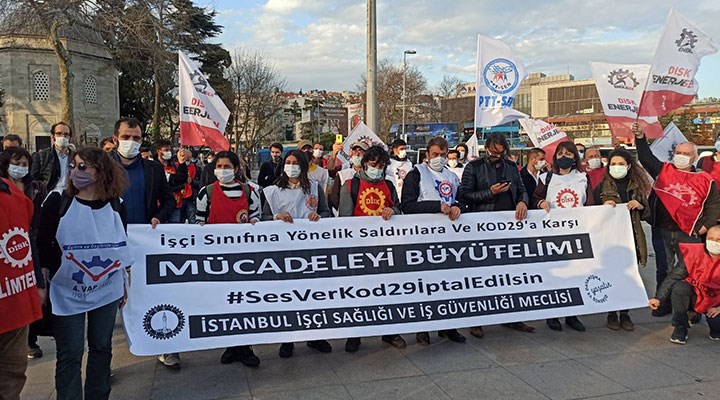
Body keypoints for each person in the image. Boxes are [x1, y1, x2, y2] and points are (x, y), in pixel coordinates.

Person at [37, 147, 131, 400]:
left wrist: (124, 281)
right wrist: (45, 279)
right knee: (70, 352)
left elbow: (120, 244)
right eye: (73, 166)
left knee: (101, 347)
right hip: (67, 291)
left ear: (100, 171)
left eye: (82, 167)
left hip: (107, 288)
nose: (75, 172)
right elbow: (43, 242)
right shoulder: (57, 201)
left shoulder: (116, 204)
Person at [634, 123, 720, 317]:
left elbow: (714, 205)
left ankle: (692, 308)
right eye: (679, 152)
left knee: (692, 271)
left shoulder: (705, 180)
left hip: (689, 232)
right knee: (664, 268)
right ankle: (662, 304)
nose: (681, 156)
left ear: (694, 157)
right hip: (662, 230)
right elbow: (646, 158)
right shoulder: (663, 170)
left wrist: (705, 227)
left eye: (686, 153)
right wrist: (640, 138)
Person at [457, 133, 534, 336]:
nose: (495, 156)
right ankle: (477, 320)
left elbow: (522, 189)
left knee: (509, 275)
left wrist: (522, 201)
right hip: (483, 227)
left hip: (509, 227)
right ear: (486, 149)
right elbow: (464, 195)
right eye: (492, 152)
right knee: (482, 276)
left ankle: (511, 317)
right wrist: (490, 192)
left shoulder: (511, 167)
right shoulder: (473, 167)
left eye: (500, 153)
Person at [261, 150, 332, 358]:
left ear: (303, 166)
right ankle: (288, 339)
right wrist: (276, 217)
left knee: (313, 294)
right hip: (283, 252)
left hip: (310, 250)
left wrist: (318, 217)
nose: (291, 166)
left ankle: (315, 336)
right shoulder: (273, 191)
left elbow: (326, 212)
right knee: (288, 295)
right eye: (288, 162)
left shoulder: (314, 188)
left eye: (295, 163)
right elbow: (264, 217)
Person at [196, 151, 262, 367]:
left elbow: (256, 217)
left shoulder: (249, 191)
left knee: (244, 302)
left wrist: (255, 224)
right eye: (219, 166)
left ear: (236, 169)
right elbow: (198, 221)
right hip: (217, 257)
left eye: (227, 167)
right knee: (224, 302)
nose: (222, 170)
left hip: (244, 258)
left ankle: (246, 347)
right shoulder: (206, 193)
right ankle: (231, 345)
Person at [338, 145, 406, 352]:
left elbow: (399, 207)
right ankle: (355, 334)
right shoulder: (350, 185)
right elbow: (345, 219)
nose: (377, 168)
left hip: (385, 248)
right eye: (373, 164)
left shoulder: (389, 185)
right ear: (365, 163)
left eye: (381, 165)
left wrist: (392, 210)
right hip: (360, 248)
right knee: (359, 292)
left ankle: (389, 331)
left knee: (387, 291)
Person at [401, 136, 467, 345]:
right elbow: (407, 205)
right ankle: (423, 329)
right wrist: (436, 206)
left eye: (442, 155)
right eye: (435, 154)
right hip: (422, 238)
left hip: (449, 239)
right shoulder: (416, 174)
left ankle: (448, 327)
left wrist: (458, 207)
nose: (439, 158)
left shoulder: (452, 176)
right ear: (427, 155)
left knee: (448, 284)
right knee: (424, 285)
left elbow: (462, 199)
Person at [534, 141, 594, 332]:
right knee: (554, 274)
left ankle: (572, 315)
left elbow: (591, 203)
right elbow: (535, 197)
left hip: (576, 233)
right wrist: (540, 202)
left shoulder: (583, 177)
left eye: (568, 153)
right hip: (552, 233)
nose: (564, 157)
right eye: (560, 154)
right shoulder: (546, 177)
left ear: (575, 157)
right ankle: (552, 315)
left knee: (574, 275)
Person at [0, 148, 49, 359]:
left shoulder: (27, 194)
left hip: (16, 284)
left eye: (24, 164)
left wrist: (39, 281)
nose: (21, 168)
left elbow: (27, 239)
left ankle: (31, 342)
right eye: (16, 163)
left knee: (13, 366)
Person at [599, 148, 651, 331]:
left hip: (632, 238)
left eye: (621, 164)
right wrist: (603, 206)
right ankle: (612, 312)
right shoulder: (601, 186)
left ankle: (625, 313)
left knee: (628, 277)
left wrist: (640, 206)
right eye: (613, 164)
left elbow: (648, 214)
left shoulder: (636, 186)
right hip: (610, 240)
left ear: (629, 166)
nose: (617, 167)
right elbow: (590, 211)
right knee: (611, 276)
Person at [0, 174, 42, 400]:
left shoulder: (11, 191)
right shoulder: (11, 190)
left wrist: (38, 281)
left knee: (12, 377)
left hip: (14, 301)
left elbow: (28, 238)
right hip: (15, 300)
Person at [649, 226, 720, 344]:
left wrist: (719, 308)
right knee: (680, 287)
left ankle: (715, 329)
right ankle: (680, 326)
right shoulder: (694, 254)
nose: (714, 243)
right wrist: (659, 298)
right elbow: (673, 277)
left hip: (716, 303)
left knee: (717, 324)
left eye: (718, 240)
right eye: (711, 239)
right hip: (696, 294)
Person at [111, 117, 175, 228]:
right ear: (115, 140)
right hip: (112, 232)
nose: (131, 141)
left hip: (145, 233)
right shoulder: (101, 167)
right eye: (126, 137)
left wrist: (159, 217)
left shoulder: (155, 169)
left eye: (136, 138)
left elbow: (169, 200)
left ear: (140, 141)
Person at [31, 122, 74, 192]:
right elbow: (34, 177)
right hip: (49, 193)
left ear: (70, 137)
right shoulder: (42, 156)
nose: (63, 137)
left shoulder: (75, 157)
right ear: (53, 136)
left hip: (69, 194)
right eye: (59, 133)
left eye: (66, 134)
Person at [155, 141, 190, 223]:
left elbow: (181, 181)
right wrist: (173, 187)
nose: (168, 152)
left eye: (169, 150)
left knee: (174, 227)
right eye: (166, 150)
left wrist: (182, 164)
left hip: (176, 204)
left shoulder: (174, 165)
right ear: (159, 151)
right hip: (159, 205)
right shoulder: (154, 166)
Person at [328, 141, 367, 211]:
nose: (357, 154)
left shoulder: (373, 174)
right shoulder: (343, 172)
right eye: (355, 151)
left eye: (360, 151)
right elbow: (330, 171)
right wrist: (334, 154)